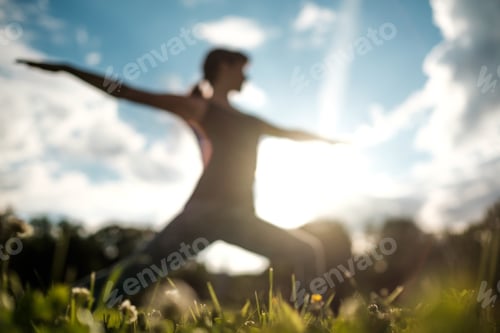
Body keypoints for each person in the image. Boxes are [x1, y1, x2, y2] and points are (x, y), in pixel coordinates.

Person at [17, 49, 342, 304]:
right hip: (207, 213)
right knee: (133, 273)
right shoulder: (201, 108)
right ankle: (49, 305)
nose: (247, 76)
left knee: (133, 273)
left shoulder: (250, 120)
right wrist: (67, 68)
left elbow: (291, 132)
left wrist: (330, 141)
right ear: (224, 67)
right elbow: (127, 92)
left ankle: (52, 304)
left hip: (235, 215)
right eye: (242, 68)